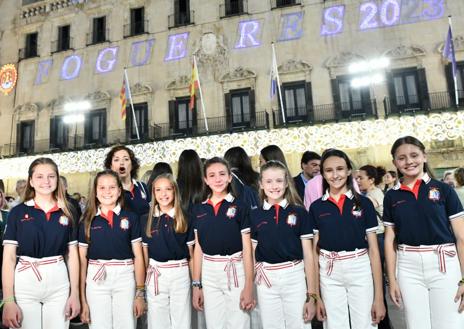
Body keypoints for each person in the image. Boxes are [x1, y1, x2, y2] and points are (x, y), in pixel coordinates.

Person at [384, 136, 464, 329]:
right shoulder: (391, 196)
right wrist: (392, 280)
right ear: (395, 162)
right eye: (401, 158)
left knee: (449, 324)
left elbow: (461, 237)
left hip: (444, 264)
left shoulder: (444, 190)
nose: (409, 161)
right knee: (416, 324)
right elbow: (389, 239)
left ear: (424, 157)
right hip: (408, 267)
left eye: (414, 155)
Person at [309, 149, 385, 329]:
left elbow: (374, 251)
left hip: (360, 267)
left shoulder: (364, 203)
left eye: (340, 169)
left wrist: (379, 297)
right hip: (329, 271)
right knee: (334, 325)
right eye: (328, 170)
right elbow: (313, 253)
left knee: (365, 324)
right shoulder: (316, 207)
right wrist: (316, 296)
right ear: (322, 174)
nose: (335, 175)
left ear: (349, 171)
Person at [2, 157, 80, 329]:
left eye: (51, 176)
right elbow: (8, 258)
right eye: (39, 176)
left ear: (57, 179)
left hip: (58, 280)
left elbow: (72, 256)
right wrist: (8, 300)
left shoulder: (68, 211)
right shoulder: (18, 212)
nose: (46, 181)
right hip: (25, 280)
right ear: (31, 181)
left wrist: (75, 293)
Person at [251, 160, 317, 328]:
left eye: (279, 181)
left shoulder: (300, 212)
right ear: (261, 184)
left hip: (294, 277)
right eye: (269, 181)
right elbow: (251, 254)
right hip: (266, 280)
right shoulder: (255, 215)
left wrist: (312, 294)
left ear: (287, 183)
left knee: (300, 324)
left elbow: (309, 255)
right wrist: (250, 287)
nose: (274, 186)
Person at [191, 157, 255, 328]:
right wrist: (197, 284)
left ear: (229, 177)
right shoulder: (199, 209)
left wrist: (249, 285)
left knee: (238, 322)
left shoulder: (241, 207)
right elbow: (198, 249)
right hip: (209, 272)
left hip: (235, 269)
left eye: (222, 174)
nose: (217, 179)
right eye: (211, 175)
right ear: (205, 180)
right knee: (214, 323)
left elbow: (248, 249)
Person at [78, 169, 145, 329]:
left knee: (127, 324)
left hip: (125, 277)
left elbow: (138, 257)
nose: (107, 192)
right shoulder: (87, 221)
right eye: (102, 187)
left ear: (119, 190)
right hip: (96, 279)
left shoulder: (131, 218)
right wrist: (83, 299)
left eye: (112, 187)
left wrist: (140, 293)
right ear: (95, 191)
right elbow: (81, 262)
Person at [141, 173, 193, 329]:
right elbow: (144, 254)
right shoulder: (146, 219)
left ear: (175, 191)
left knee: (182, 319)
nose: (163, 194)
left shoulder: (185, 217)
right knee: (157, 320)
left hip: (180, 273)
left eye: (168, 189)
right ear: (153, 193)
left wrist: (196, 283)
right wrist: (142, 284)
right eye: (158, 190)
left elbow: (191, 254)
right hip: (156, 273)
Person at [356, 165, 392, 329]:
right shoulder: (371, 193)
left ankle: (382, 321)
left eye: (360, 178)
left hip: (378, 238)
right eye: (356, 178)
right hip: (377, 237)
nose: (357, 181)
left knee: (376, 281)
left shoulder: (372, 195)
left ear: (371, 180)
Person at [104, 145, 151, 217]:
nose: (122, 162)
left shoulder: (142, 187)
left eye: (126, 159)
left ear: (132, 165)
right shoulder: (108, 191)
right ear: (111, 166)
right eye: (116, 160)